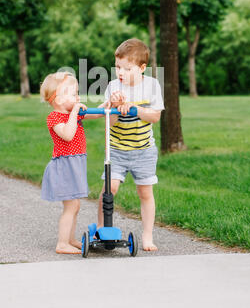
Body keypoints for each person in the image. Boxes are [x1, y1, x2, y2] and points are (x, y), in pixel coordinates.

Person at [98, 38, 164, 251]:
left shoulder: (152, 86)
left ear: (142, 68)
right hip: (117, 149)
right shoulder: (113, 87)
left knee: (145, 192)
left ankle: (147, 236)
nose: (121, 72)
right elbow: (110, 121)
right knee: (110, 188)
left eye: (127, 68)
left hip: (144, 150)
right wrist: (116, 107)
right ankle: (101, 229)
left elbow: (154, 117)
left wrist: (133, 107)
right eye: (118, 67)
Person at [40, 71, 103, 255]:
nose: (78, 97)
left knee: (76, 205)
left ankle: (70, 238)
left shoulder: (72, 113)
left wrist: (108, 106)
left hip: (75, 164)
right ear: (58, 99)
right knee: (70, 206)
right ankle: (61, 243)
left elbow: (97, 115)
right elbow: (67, 135)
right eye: (73, 94)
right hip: (64, 166)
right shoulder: (55, 118)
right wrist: (75, 112)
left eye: (77, 93)